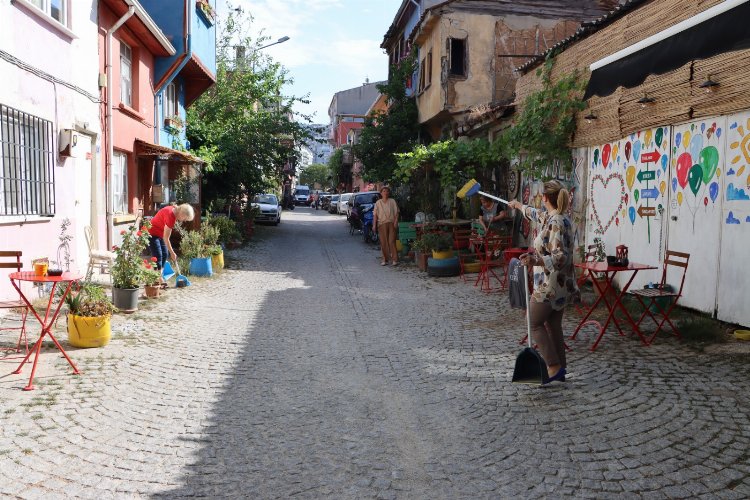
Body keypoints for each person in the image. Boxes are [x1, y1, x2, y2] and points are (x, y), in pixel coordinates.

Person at [508, 180, 579, 383]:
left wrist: (535, 260)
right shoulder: (555, 217)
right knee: (553, 324)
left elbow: (560, 257)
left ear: (545, 198)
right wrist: (519, 206)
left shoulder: (556, 222)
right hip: (561, 285)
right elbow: (536, 215)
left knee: (533, 322)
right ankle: (561, 369)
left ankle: (553, 365)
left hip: (550, 285)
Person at [148, 203, 195, 274]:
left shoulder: (173, 209)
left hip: (160, 234)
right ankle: (157, 278)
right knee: (158, 255)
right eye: (185, 218)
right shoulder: (171, 217)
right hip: (151, 232)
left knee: (165, 254)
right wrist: (172, 253)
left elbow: (164, 236)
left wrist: (170, 252)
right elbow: (166, 238)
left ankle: (159, 275)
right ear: (182, 214)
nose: (184, 220)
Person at [372, 186, 399, 266]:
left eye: (387, 191)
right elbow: (375, 215)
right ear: (381, 193)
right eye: (384, 191)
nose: (385, 193)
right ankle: (384, 259)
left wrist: (396, 221)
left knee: (391, 241)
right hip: (381, 224)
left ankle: (395, 259)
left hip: (391, 223)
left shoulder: (392, 201)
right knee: (383, 242)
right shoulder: (378, 203)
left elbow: (397, 212)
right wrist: (374, 225)